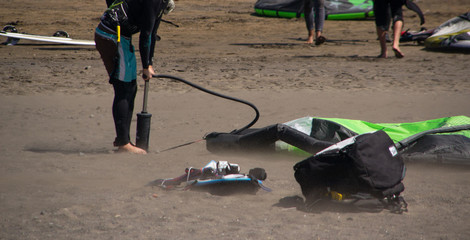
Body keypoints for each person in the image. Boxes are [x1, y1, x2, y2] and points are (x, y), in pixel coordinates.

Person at [95, 0, 173, 154]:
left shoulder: (162, 3)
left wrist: (149, 64)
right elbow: (145, 35)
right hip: (111, 35)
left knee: (131, 87)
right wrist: (145, 67)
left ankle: (125, 141)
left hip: (122, 37)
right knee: (124, 88)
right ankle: (123, 144)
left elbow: (151, 34)